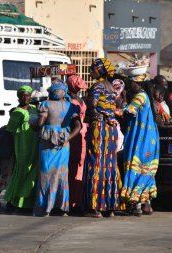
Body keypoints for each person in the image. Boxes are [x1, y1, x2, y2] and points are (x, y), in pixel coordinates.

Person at [34, 79, 81, 217]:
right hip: (64, 144)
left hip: (47, 143)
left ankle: (45, 208)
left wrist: (34, 126)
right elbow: (78, 126)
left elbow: (40, 123)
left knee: (46, 174)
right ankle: (61, 208)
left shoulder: (45, 104)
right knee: (61, 175)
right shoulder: (71, 106)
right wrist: (67, 137)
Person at [84, 58, 122, 218]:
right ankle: (110, 207)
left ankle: (95, 207)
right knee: (110, 164)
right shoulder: (112, 88)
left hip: (99, 127)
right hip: (112, 129)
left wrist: (89, 113)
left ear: (100, 70)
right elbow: (114, 107)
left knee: (96, 162)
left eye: (93, 69)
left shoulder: (97, 87)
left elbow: (92, 105)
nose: (91, 71)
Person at [121, 75, 159, 216]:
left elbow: (128, 110)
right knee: (146, 169)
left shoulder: (140, 96)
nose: (128, 85)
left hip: (140, 138)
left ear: (136, 83)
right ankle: (146, 204)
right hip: (148, 139)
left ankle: (136, 204)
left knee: (135, 166)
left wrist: (113, 109)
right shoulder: (145, 96)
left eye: (130, 82)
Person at [4, 85, 39, 210]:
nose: (25, 98)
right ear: (19, 98)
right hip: (23, 145)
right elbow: (10, 131)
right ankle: (13, 200)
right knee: (22, 172)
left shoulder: (35, 108)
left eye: (27, 95)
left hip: (35, 144)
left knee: (33, 172)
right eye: (22, 96)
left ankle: (28, 202)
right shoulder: (17, 112)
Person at [66, 75, 87, 213]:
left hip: (73, 133)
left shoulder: (69, 101)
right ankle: (77, 202)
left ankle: (71, 202)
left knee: (71, 169)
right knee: (80, 169)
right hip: (83, 134)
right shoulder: (82, 101)